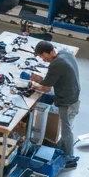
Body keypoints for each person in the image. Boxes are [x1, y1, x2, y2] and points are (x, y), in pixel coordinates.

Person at [29, 40, 81, 169]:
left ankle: (69, 157)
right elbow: (51, 79)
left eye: (42, 56)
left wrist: (33, 85)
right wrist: (38, 78)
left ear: (47, 53)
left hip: (67, 100)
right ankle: (62, 148)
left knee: (66, 128)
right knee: (66, 125)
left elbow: (46, 88)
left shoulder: (56, 64)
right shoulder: (65, 53)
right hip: (74, 93)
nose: (42, 59)